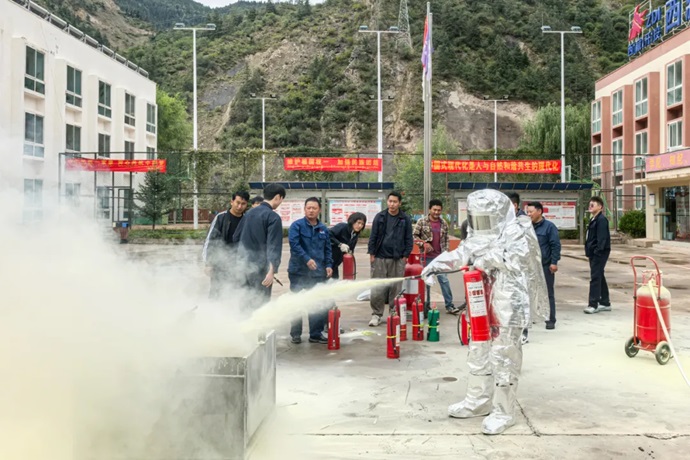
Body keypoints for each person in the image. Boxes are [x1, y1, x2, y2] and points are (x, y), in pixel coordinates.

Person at [421, 189, 548, 435]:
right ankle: (478, 400)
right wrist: (434, 266)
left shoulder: (517, 229)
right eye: (476, 218)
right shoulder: (478, 234)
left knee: (504, 357)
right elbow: (463, 253)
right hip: (481, 300)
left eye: (483, 218)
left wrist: (484, 260)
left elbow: (517, 258)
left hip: (507, 304)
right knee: (478, 351)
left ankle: (504, 411)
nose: (480, 224)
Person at [233, 183, 286, 311]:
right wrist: (272, 270)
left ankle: (242, 323)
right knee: (260, 304)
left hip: (242, 267)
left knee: (244, 302)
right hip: (261, 269)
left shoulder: (248, 214)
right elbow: (274, 246)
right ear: (278, 197)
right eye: (282, 199)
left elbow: (236, 237)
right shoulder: (273, 217)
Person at [288, 197, 333, 344]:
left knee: (316, 303)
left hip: (317, 273)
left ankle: (315, 334)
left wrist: (329, 265)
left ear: (319, 210)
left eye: (314, 208)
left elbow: (328, 249)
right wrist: (307, 259)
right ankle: (296, 334)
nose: (311, 210)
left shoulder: (323, 229)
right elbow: (294, 244)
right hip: (298, 272)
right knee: (297, 302)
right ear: (304, 209)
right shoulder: (297, 226)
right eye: (308, 208)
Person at [367, 191, 414, 327]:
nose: (392, 204)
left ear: (399, 203)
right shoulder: (380, 217)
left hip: (397, 258)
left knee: (396, 287)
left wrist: (405, 256)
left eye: (395, 202)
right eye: (390, 201)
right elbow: (373, 236)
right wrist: (372, 254)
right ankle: (376, 314)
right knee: (377, 287)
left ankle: (393, 313)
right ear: (387, 202)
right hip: (380, 257)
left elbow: (409, 239)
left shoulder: (404, 219)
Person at [413, 199, 460, 314]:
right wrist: (424, 244)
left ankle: (449, 306)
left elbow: (446, 240)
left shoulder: (443, 223)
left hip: (440, 258)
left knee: (444, 280)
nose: (436, 212)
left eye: (439, 210)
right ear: (429, 209)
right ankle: (426, 305)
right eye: (434, 210)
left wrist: (447, 254)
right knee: (427, 283)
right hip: (426, 258)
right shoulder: (421, 222)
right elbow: (414, 236)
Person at [202, 191, 250, 298]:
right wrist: (208, 263)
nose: (239, 206)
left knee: (238, 295)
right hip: (220, 265)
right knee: (217, 294)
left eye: (243, 204)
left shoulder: (247, 220)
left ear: (247, 204)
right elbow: (210, 240)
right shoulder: (221, 218)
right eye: (237, 202)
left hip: (240, 266)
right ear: (232, 201)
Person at [526, 202, 561, 329]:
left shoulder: (549, 227)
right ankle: (533, 317)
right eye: (527, 212)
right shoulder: (527, 227)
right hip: (530, 266)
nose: (528, 214)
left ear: (539, 211)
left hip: (545, 265)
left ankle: (550, 319)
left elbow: (555, 245)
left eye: (531, 212)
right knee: (530, 292)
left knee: (547, 292)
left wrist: (554, 262)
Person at [584, 196, 611, 314]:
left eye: (593, 204)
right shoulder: (594, 219)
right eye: (590, 204)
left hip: (599, 253)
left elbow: (602, 239)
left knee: (595, 277)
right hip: (593, 252)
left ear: (600, 207)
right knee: (599, 275)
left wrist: (597, 252)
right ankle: (605, 302)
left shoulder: (601, 220)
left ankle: (593, 304)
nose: (590, 206)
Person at [329, 212, 367, 279]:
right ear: (352, 221)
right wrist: (339, 244)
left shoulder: (355, 235)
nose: (360, 226)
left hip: (335, 264)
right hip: (327, 262)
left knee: (334, 281)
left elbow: (351, 250)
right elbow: (328, 234)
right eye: (358, 223)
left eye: (362, 224)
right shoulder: (342, 227)